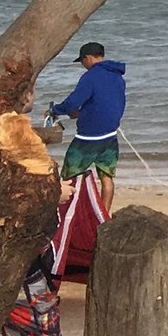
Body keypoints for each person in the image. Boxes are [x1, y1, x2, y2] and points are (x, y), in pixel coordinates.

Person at [44, 43, 125, 211]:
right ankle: (104, 216)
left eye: (82, 61)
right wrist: (82, 113)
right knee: (107, 177)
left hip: (88, 138)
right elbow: (108, 105)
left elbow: (73, 101)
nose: (83, 65)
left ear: (87, 58)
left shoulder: (90, 77)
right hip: (110, 135)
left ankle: (66, 214)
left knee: (68, 175)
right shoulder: (117, 77)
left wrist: (55, 110)